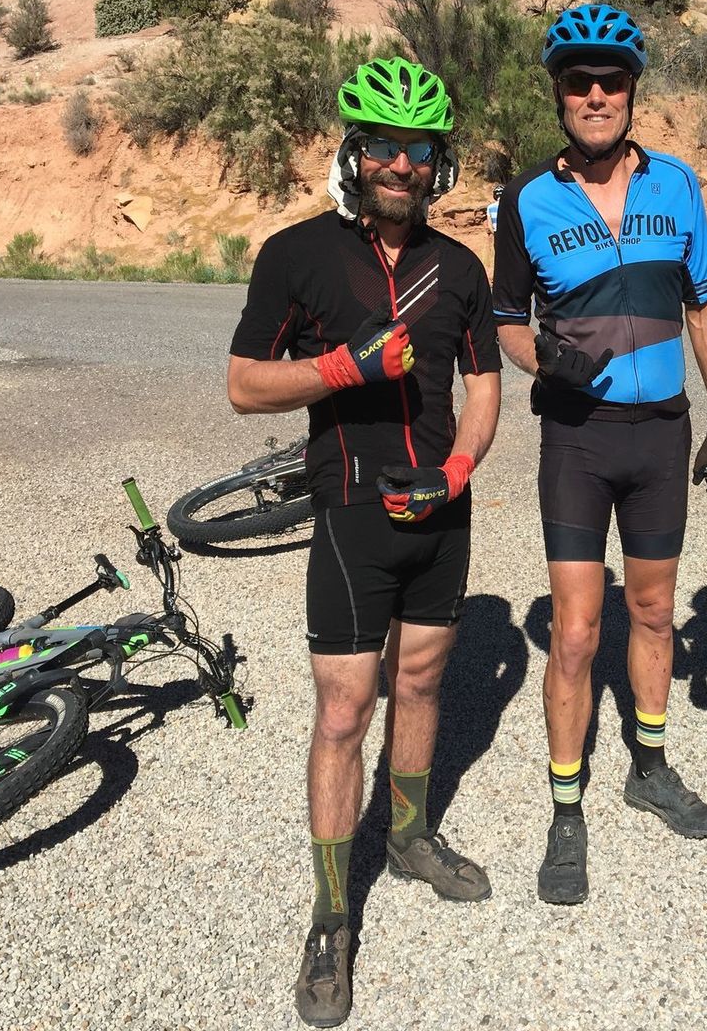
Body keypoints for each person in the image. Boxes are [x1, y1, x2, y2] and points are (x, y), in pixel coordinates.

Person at [227, 57, 502, 1027]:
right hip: (350, 515)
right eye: (382, 145)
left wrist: (460, 467)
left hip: (441, 512)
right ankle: (332, 915)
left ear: (438, 164)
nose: (400, 164)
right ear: (354, 153)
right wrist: (344, 367)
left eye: (417, 149)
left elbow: (483, 383)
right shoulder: (297, 254)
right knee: (345, 713)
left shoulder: (460, 268)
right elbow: (244, 384)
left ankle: (412, 838)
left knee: (421, 683)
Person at [490, 3, 707, 905]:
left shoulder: (677, 185)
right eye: (579, 82)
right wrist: (542, 360)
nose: (595, 96)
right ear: (558, 94)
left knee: (655, 610)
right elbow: (505, 320)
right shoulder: (526, 199)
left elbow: (703, 304)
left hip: (661, 432)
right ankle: (567, 808)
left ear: (632, 92)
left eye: (611, 81)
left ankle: (651, 767)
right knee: (575, 630)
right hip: (578, 438)